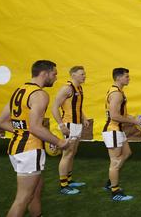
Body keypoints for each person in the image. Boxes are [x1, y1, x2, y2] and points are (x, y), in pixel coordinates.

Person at [0, 60, 71, 217]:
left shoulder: (19, 90)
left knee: (36, 190)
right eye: (54, 74)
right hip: (29, 151)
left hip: (17, 149)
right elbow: (36, 127)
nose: (56, 78)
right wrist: (59, 142)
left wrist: (24, 132)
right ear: (44, 73)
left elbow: (1, 122)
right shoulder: (40, 94)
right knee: (22, 199)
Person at [102, 67, 141, 201]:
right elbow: (115, 116)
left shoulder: (118, 91)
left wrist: (135, 119)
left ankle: (111, 180)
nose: (129, 78)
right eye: (126, 76)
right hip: (112, 130)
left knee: (127, 153)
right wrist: (132, 121)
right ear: (118, 78)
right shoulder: (116, 94)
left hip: (117, 130)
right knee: (115, 162)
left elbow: (122, 114)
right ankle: (115, 192)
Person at [51, 65, 89, 195]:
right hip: (69, 125)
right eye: (82, 74)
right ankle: (63, 186)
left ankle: (69, 180)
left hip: (77, 124)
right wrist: (61, 125)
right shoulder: (67, 88)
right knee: (67, 154)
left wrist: (84, 118)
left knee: (72, 153)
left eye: (84, 74)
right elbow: (54, 107)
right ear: (73, 75)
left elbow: (78, 106)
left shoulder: (79, 88)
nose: (84, 76)